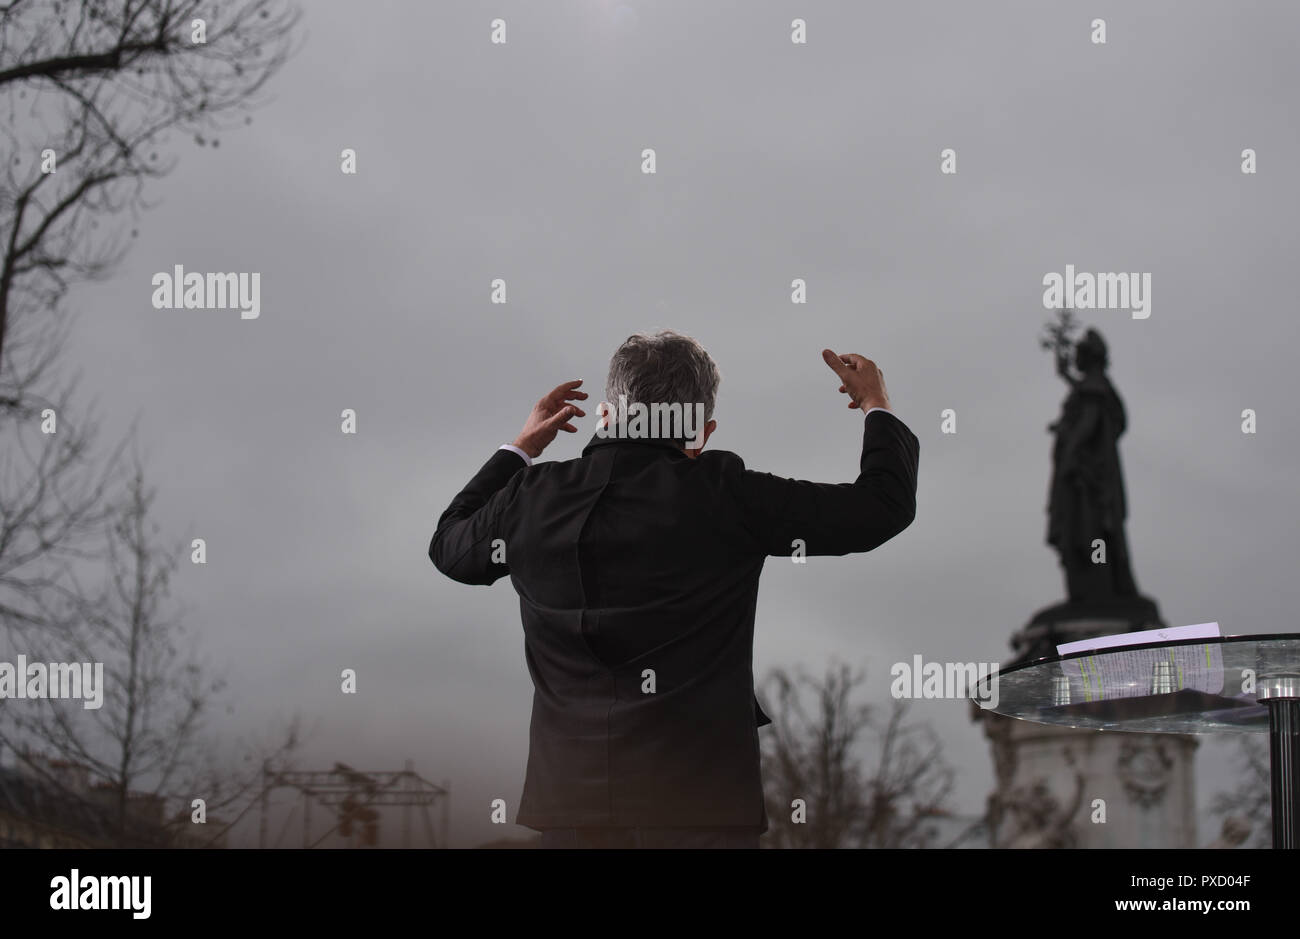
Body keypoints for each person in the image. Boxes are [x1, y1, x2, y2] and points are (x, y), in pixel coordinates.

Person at [430, 330, 919, 848]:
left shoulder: (530, 496)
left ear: (606, 414)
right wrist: (876, 404)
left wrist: (521, 449)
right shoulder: (725, 493)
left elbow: (450, 548)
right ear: (700, 432)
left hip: (571, 811)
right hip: (701, 807)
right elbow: (878, 510)